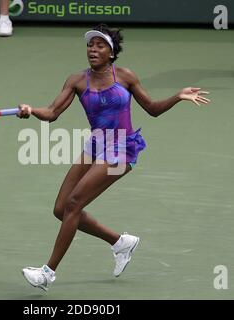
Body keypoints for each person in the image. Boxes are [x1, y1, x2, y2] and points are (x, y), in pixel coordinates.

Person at [18, 24, 211, 291]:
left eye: (100, 45)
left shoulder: (125, 76)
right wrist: (31, 110)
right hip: (96, 145)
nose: (93, 50)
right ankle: (121, 242)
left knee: (74, 202)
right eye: (90, 45)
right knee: (61, 209)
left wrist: (177, 97)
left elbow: (152, 109)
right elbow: (51, 112)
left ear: (111, 52)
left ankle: (47, 273)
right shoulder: (76, 80)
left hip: (122, 150)